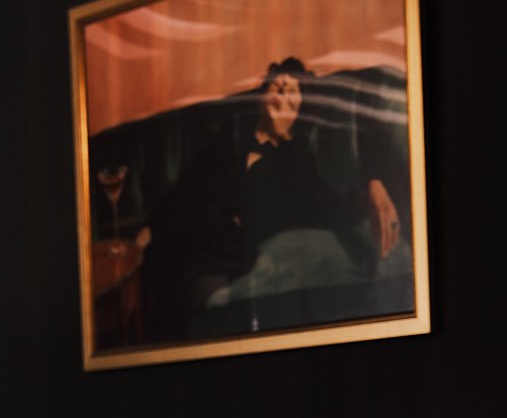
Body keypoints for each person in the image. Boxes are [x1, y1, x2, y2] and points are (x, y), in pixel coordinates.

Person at [136, 56, 405, 343]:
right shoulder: (225, 141)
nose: (281, 91)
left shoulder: (299, 160)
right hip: (200, 252)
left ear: (300, 109)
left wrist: (372, 188)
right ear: (262, 96)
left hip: (252, 271)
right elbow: (184, 190)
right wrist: (147, 233)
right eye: (276, 85)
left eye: (292, 90)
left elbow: (331, 207)